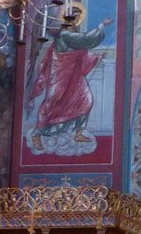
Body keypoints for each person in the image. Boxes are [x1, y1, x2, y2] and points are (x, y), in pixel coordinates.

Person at [27, 8, 112, 152]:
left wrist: (96, 57)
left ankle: (78, 132)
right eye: (74, 18)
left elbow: (80, 53)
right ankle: (37, 134)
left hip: (74, 76)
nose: (76, 22)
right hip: (60, 75)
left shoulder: (70, 36)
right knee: (52, 102)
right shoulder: (66, 35)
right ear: (67, 21)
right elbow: (86, 40)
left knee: (86, 99)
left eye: (78, 18)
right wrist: (102, 25)